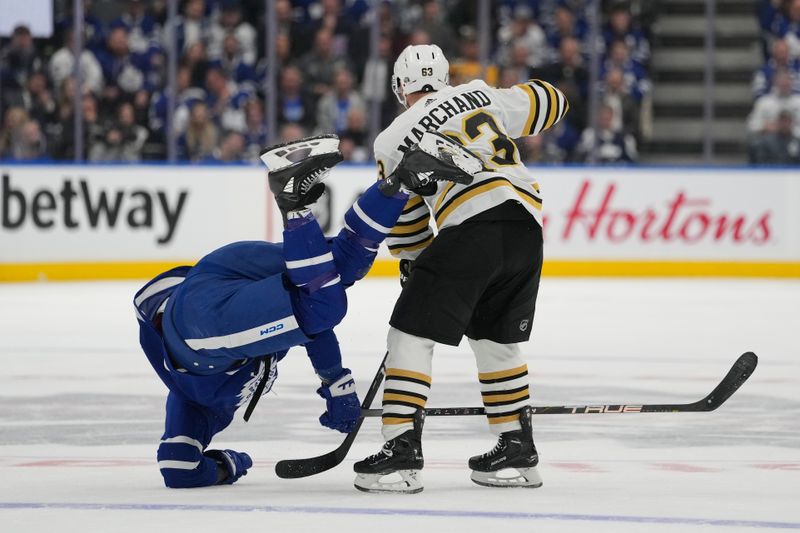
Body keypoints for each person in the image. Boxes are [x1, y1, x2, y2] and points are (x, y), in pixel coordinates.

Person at [134, 134, 473, 488]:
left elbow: (178, 467)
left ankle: (293, 199)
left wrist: (233, 463)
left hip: (197, 330)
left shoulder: (193, 403)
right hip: (215, 274)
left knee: (324, 306)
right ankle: (405, 178)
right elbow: (309, 328)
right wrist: (334, 381)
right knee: (337, 269)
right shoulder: (256, 335)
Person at [354, 44, 569, 493]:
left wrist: (416, 263)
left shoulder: (393, 138)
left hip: (472, 227)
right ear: (445, 77)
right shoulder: (479, 94)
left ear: (399, 88)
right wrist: (516, 93)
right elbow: (553, 100)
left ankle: (400, 450)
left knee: (410, 333)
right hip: (525, 227)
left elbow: (406, 219)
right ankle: (516, 449)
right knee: (495, 339)